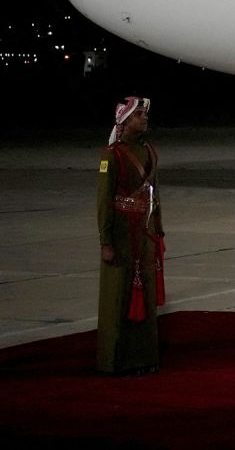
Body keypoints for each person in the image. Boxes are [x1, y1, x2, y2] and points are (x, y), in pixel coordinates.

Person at [96, 95, 165, 375]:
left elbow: (154, 195)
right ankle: (114, 361)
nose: (144, 119)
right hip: (122, 237)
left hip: (145, 236)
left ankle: (144, 359)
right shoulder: (111, 155)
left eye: (145, 115)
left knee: (146, 298)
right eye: (139, 115)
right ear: (124, 121)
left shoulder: (150, 152)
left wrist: (158, 230)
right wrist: (106, 241)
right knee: (118, 298)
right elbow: (104, 201)